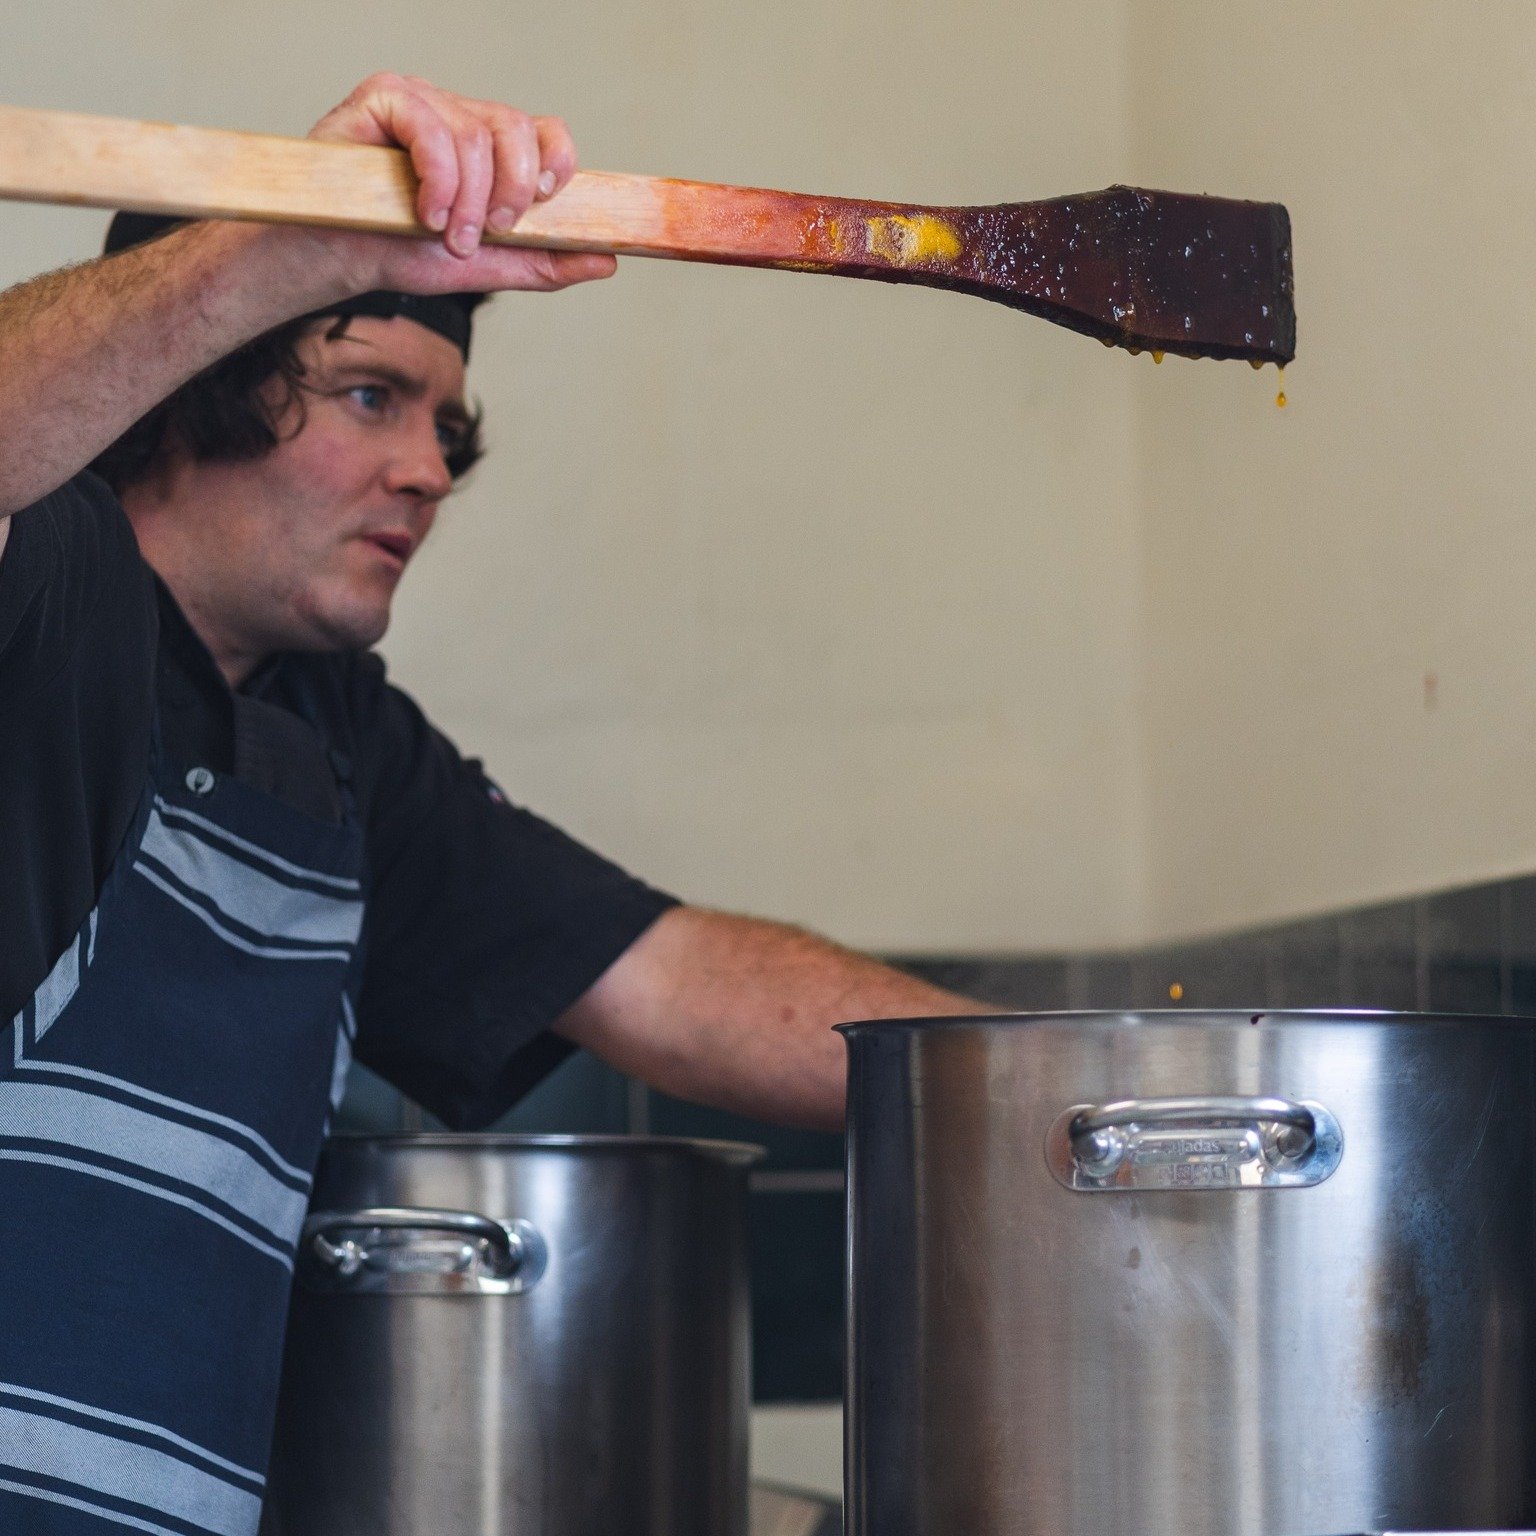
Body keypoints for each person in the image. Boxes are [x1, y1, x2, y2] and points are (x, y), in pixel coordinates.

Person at [0, 73, 978, 1536]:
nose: (427, 472)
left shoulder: (341, 745)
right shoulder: (46, 586)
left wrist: (1059, 1094)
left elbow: (676, 983)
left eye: (444, 423)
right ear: (193, 383)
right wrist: (289, 245)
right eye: (370, 395)